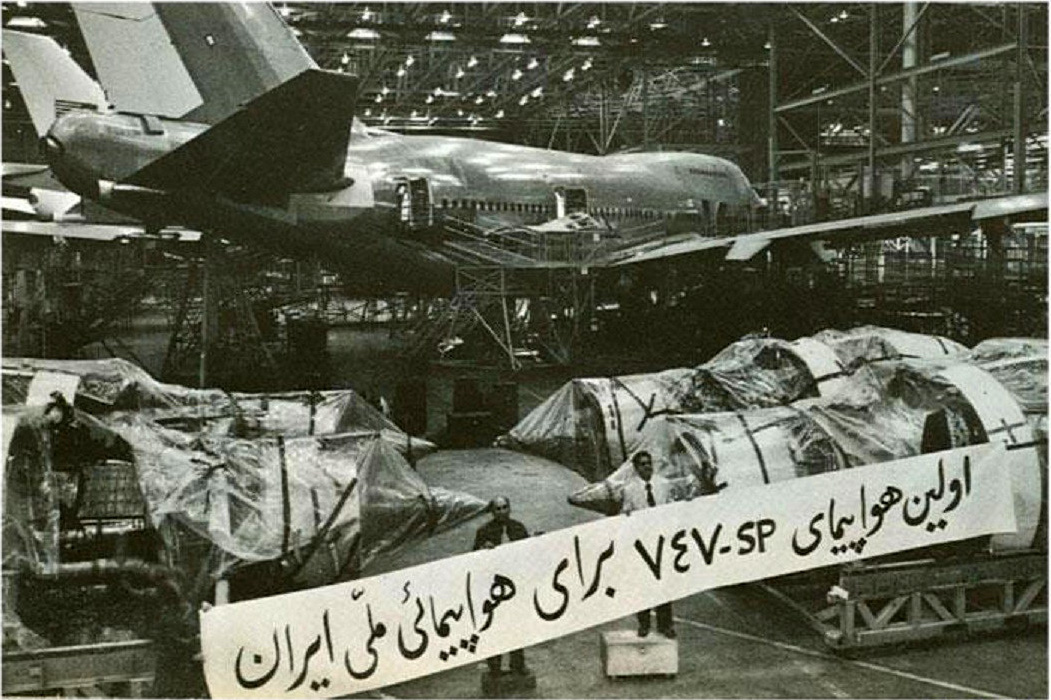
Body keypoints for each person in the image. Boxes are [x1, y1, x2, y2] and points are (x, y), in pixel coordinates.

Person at [621, 451, 676, 638]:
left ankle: (665, 625)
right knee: (643, 585)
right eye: (643, 464)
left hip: (661, 542)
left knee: (664, 585)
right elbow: (626, 513)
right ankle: (644, 624)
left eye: (649, 463)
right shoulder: (629, 490)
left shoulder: (663, 484)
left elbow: (671, 508)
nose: (647, 467)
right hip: (642, 544)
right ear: (636, 468)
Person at [473, 496, 530, 675]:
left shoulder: (518, 528)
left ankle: (518, 664)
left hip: (514, 584)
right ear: (492, 512)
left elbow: (528, 552)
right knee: (494, 627)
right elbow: (473, 558)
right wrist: (483, 550)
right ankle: (495, 667)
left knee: (516, 625)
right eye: (498, 509)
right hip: (493, 587)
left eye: (505, 507)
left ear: (510, 508)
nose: (502, 511)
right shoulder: (484, 531)